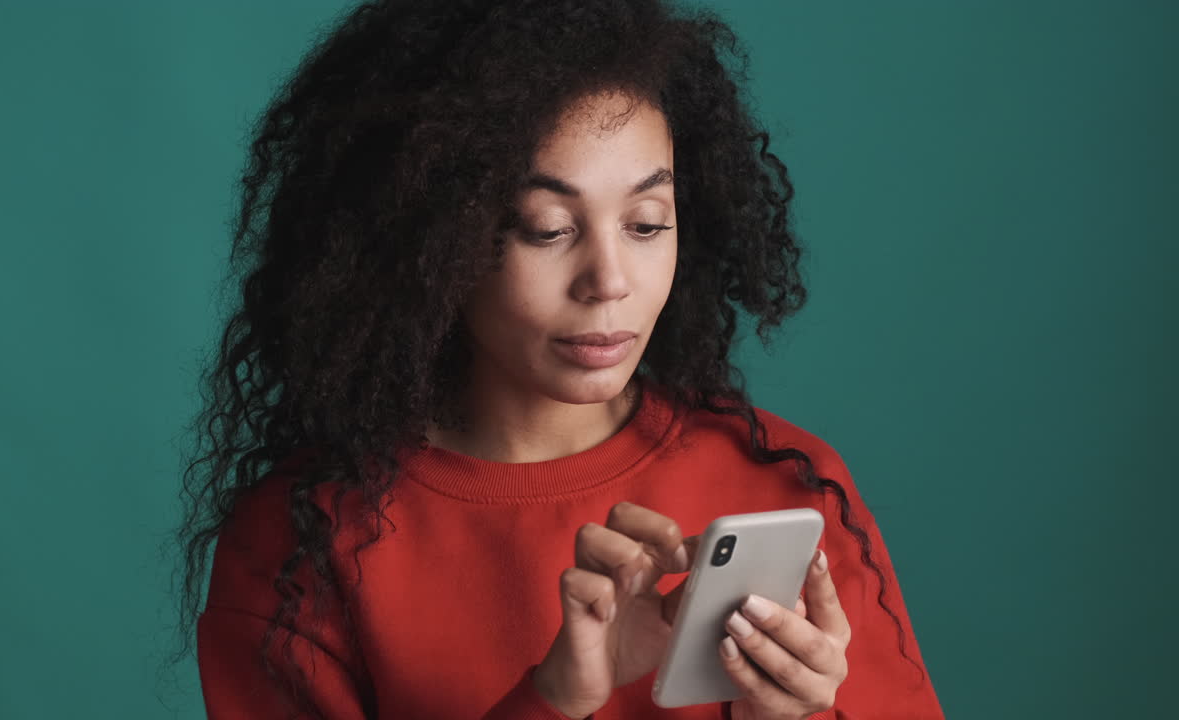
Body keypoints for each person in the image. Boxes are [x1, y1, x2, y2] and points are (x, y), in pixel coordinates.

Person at [171, 1, 946, 718]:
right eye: (545, 228)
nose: (609, 282)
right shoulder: (299, 546)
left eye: (646, 223)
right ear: (427, 241)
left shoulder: (786, 488)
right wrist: (553, 700)